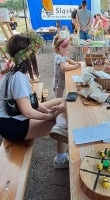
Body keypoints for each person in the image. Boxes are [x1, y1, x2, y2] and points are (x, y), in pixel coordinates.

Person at [0, 33, 69, 168]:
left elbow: (34, 103)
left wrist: (48, 110)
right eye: (35, 52)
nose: (36, 55)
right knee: (63, 120)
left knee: (62, 100)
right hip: (12, 127)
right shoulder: (18, 77)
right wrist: (48, 116)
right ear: (27, 55)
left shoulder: (15, 71)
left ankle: (60, 123)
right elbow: (28, 112)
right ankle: (60, 159)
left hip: (13, 118)